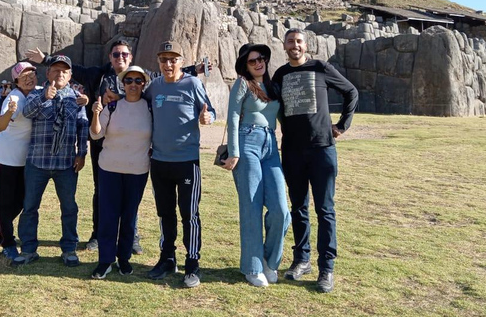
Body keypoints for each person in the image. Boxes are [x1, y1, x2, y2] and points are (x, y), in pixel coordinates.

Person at [25, 41, 205, 255]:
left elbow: (167, 73)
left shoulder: (141, 76)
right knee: (100, 190)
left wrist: (195, 69)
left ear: (131, 57)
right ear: (110, 57)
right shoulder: (99, 74)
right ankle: (98, 234)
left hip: (136, 145)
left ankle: (132, 237)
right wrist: (45, 59)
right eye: (116, 54)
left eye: (125, 54)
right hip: (103, 143)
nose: (121, 57)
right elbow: (73, 71)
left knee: (132, 193)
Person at [272, 28, 358, 294]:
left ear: (305, 46)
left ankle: (327, 268)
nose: (294, 45)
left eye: (299, 41)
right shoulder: (280, 74)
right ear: (284, 45)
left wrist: (342, 125)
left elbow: (351, 92)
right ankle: (302, 260)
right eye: (290, 41)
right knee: (298, 208)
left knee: (325, 210)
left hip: (322, 149)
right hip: (293, 151)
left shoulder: (321, 67)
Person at [143, 40, 215, 288]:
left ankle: (192, 263)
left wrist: (207, 117)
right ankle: (167, 258)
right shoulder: (155, 86)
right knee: (165, 214)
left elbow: (210, 111)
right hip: (159, 162)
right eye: (164, 59)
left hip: (186, 162)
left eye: (173, 59)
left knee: (189, 214)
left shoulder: (193, 83)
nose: (168, 64)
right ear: (159, 62)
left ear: (181, 62)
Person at [222, 44, 290, 287]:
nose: (258, 63)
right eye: (252, 61)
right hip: (247, 140)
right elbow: (231, 115)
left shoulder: (272, 86)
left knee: (281, 209)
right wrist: (234, 152)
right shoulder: (242, 83)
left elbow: (284, 119)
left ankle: (269, 261)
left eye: (261, 58)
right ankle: (251, 267)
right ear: (245, 65)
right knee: (251, 207)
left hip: (271, 145)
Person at [13, 55, 89, 267]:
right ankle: (28, 249)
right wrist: (45, 98)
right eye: (55, 70)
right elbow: (27, 113)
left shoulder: (77, 98)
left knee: (69, 208)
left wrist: (82, 153)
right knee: (29, 207)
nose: (60, 74)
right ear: (48, 74)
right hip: (38, 163)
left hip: (66, 164)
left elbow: (83, 126)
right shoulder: (36, 93)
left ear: (70, 75)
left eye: (65, 71)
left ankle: (69, 249)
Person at [88, 66, 153, 279]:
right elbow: (96, 135)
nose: (133, 85)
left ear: (144, 84)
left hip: (137, 171)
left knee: (129, 217)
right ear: (122, 84)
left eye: (138, 81)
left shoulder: (150, 108)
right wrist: (96, 114)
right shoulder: (113, 106)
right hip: (109, 169)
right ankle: (105, 260)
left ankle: (123, 259)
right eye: (129, 81)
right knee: (108, 216)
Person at [0, 62, 38, 262]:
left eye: (31, 74)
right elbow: (0, 126)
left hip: (24, 160)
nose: (28, 78)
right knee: (4, 204)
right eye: (23, 75)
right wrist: (10, 112)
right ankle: (8, 243)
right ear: (16, 80)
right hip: (5, 158)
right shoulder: (13, 97)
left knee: (20, 202)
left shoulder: (37, 92)